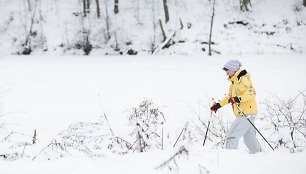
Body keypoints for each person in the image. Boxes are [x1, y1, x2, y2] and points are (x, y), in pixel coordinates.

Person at [210, 60, 261, 154]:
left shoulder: (243, 80)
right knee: (249, 137)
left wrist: (238, 99)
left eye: (227, 71)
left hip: (246, 113)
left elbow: (251, 93)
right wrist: (218, 105)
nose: (226, 73)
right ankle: (259, 154)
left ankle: (231, 157)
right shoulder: (234, 83)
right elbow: (230, 98)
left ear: (233, 70)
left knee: (231, 135)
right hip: (245, 113)